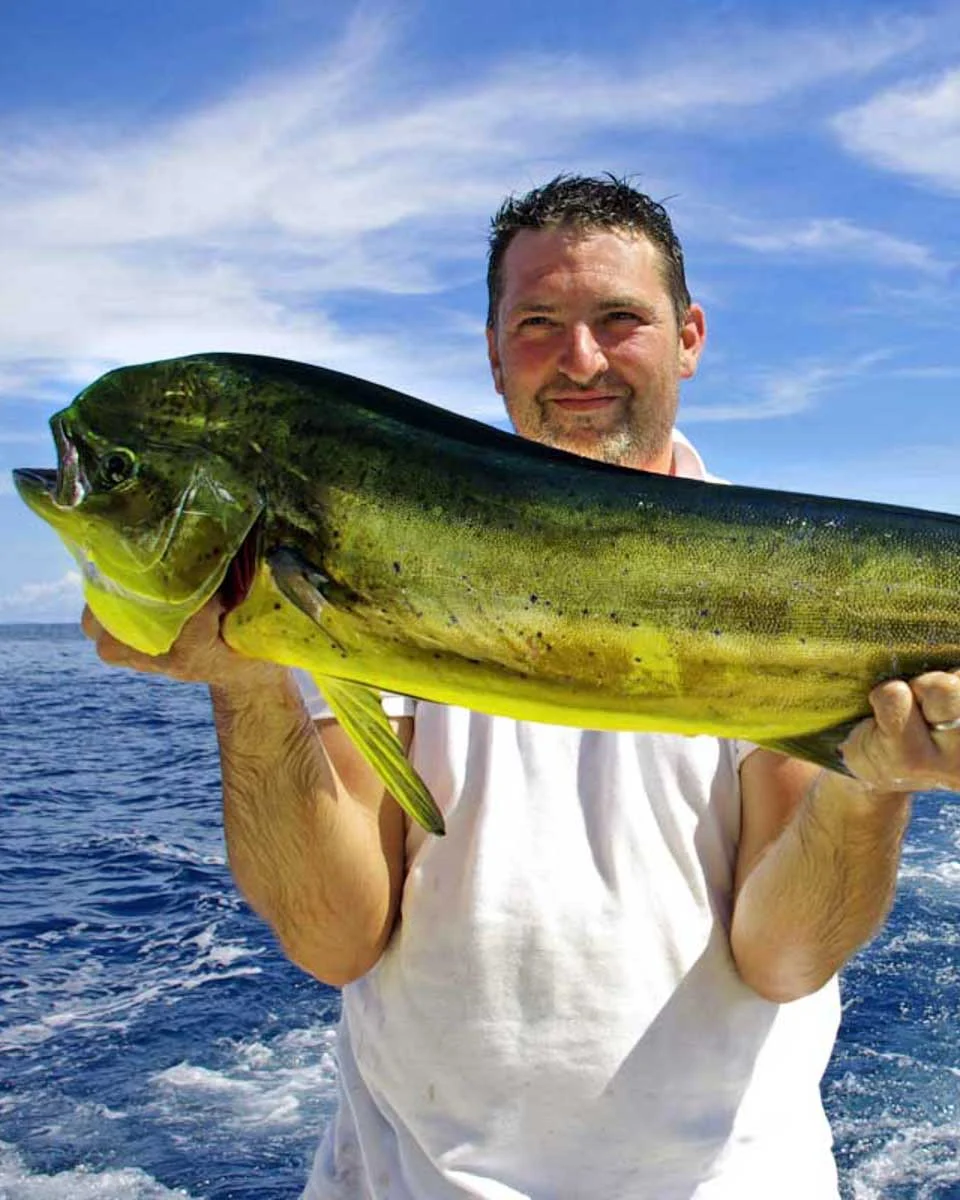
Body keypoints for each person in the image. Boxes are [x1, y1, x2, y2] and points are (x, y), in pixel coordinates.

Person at [83, 175, 960, 1199]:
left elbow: (783, 958)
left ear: (689, 338)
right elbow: (335, 936)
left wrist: (868, 783)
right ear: (494, 346)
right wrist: (249, 689)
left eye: (619, 319)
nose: (580, 358)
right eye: (539, 322)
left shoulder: (784, 587)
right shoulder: (373, 546)